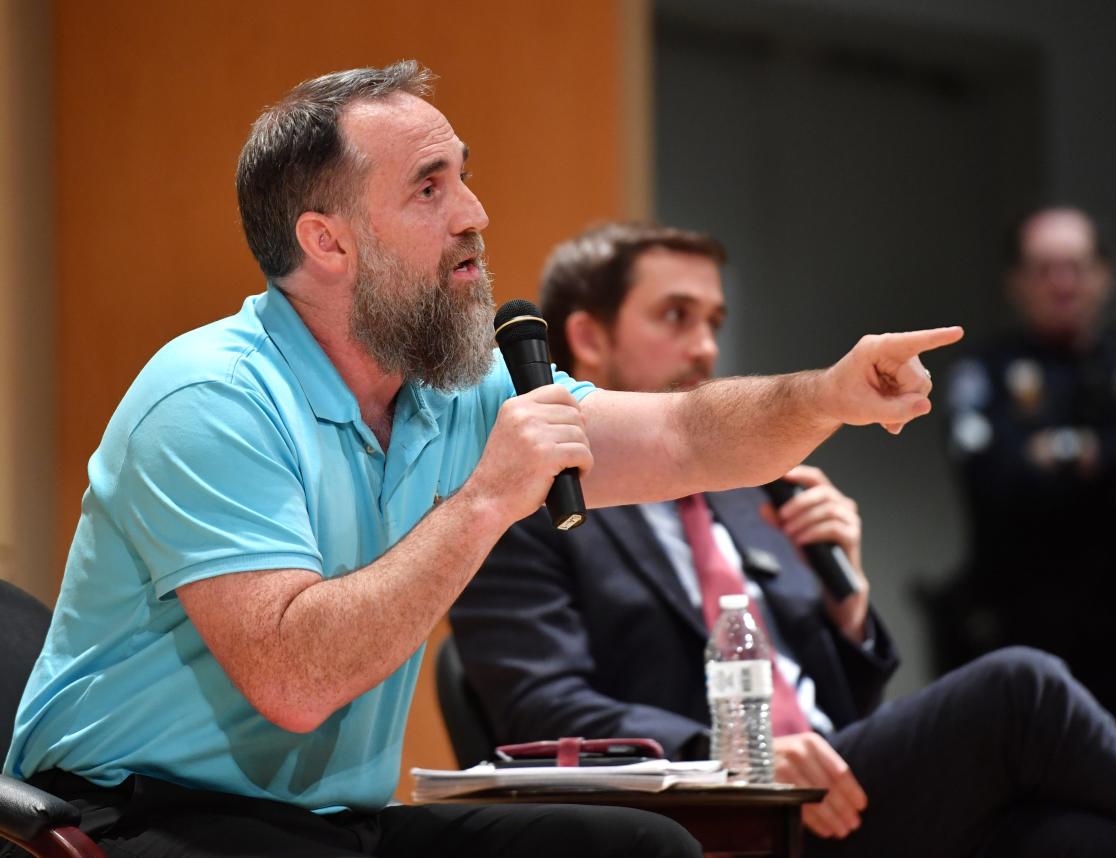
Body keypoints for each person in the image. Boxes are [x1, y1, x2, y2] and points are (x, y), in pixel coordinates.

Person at [0, 62, 962, 858]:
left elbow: (683, 435)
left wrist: (827, 395)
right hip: (135, 817)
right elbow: (294, 681)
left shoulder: (454, 389)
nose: (474, 211)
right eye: (430, 187)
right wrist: (486, 499)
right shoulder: (210, 398)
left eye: (463, 175)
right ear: (326, 240)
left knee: (643, 849)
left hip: (330, 826)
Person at [449, 222, 1116, 857]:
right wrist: (731, 750)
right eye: (675, 317)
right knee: (1019, 685)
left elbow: (839, 705)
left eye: (714, 322)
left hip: (839, 795)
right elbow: (540, 707)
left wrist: (849, 606)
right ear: (586, 336)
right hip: (713, 815)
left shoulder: (745, 494)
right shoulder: (529, 502)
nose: (705, 347)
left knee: (1084, 841)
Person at [933, 205, 1116, 807]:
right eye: (1044, 269)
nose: (1063, 283)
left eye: (1077, 267)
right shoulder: (986, 371)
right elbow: (997, 479)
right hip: (1037, 651)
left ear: (1104, 274)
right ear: (1017, 282)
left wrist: (1070, 456)